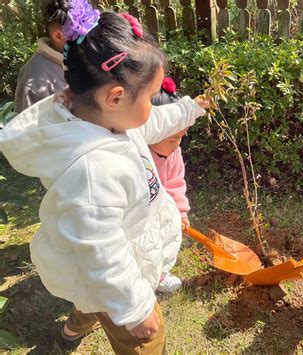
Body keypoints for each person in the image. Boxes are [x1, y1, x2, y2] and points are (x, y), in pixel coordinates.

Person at [0, 3, 208, 354]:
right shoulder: (92, 172)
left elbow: (149, 123)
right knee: (146, 340)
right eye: (149, 97)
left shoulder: (98, 118)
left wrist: (189, 109)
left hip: (102, 271)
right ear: (115, 98)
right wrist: (137, 309)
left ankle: (70, 331)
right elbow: (103, 254)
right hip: (116, 271)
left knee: (92, 298)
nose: (151, 108)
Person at [149, 77, 191, 293]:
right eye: (173, 139)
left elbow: (175, 181)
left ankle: (161, 275)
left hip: (163, 211)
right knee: (146, 247)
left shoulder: (173, 153)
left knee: (166, 241)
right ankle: (142, 280)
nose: (178, 145)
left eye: (181, 138)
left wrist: (181, 211)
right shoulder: (139, 157)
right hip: (143, 214)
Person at [14, 0, 70, 113]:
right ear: (59, 36)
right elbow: (27, 128)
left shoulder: (80, 58)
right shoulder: (33, 80)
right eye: (81, 34)